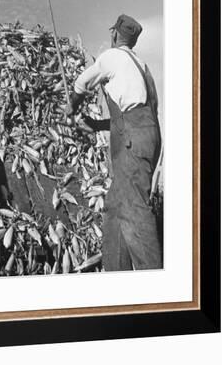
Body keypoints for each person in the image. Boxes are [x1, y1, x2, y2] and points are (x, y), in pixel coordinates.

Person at [65, 14, 162, 271]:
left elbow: (82, 82)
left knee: (134, 209)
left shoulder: (112, 57)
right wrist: (96, 125)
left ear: (115, 35)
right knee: (115, 208)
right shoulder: (142, 67)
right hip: (144, 136)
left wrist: (70, 107)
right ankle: (116, 275)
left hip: (133, 140)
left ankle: (152, 282)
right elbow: (133, 117)